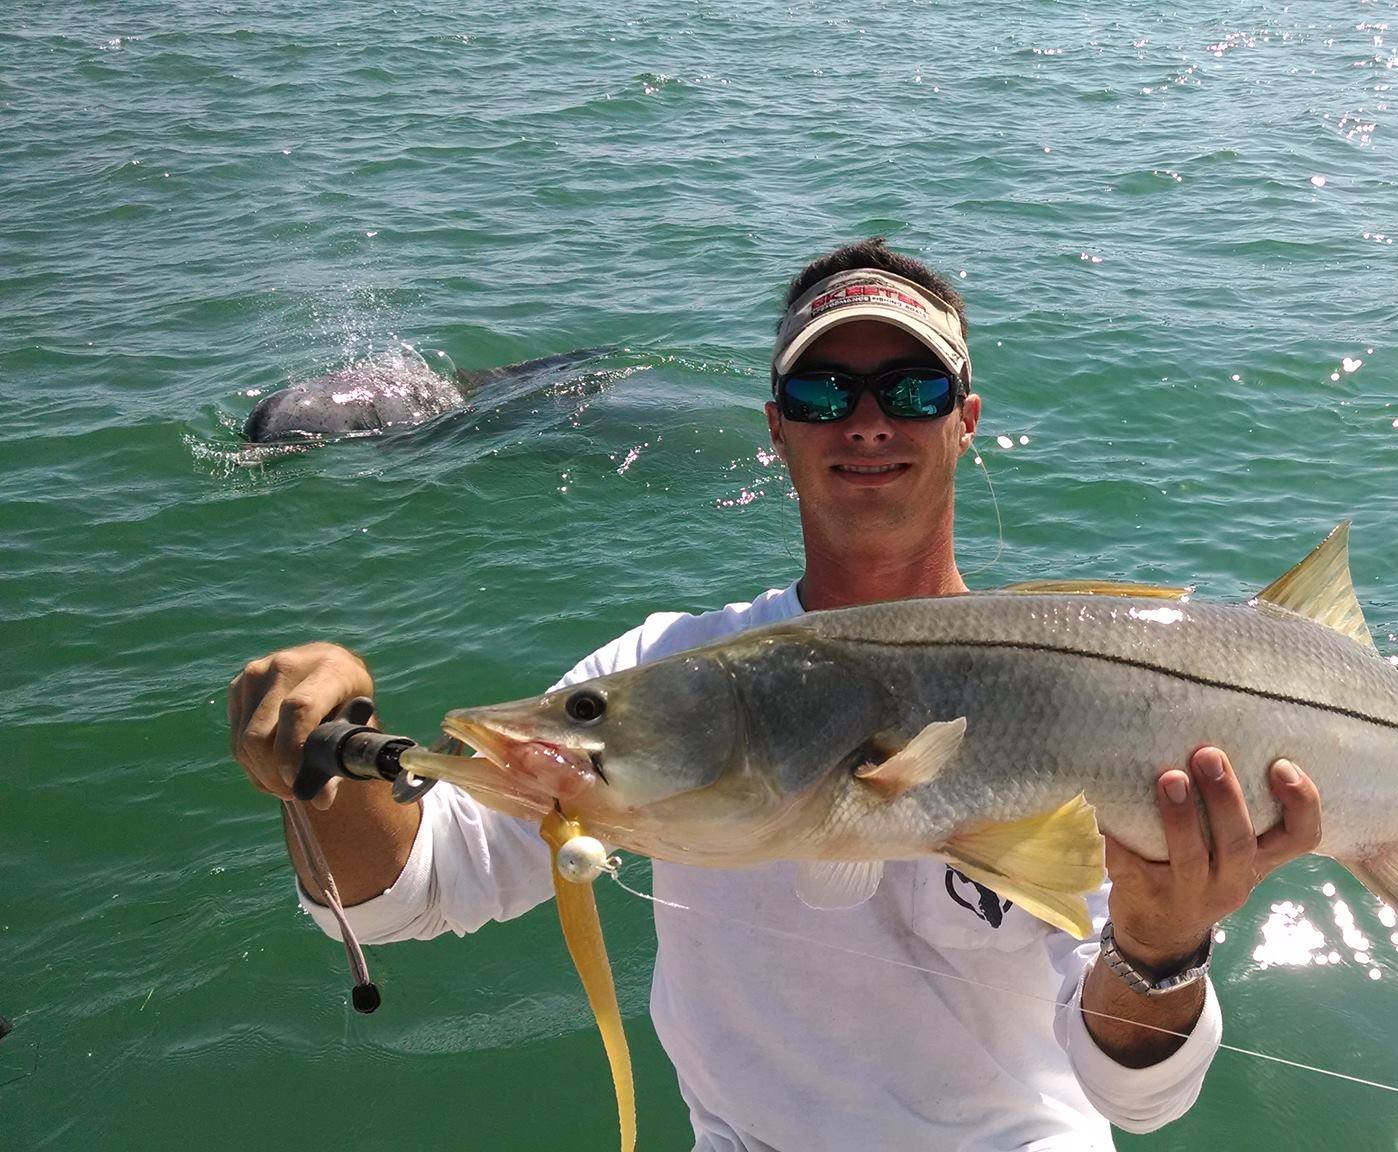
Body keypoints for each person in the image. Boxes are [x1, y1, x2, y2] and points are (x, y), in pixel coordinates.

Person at [227, 238, 1326, 1151]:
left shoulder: (1072, 687)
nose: (864, 422)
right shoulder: (665, 669)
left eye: (909, 389)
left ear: (966, 418)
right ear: (774, 427)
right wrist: (330, 750)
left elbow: (1135, 1097)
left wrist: (1164, 945)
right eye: (820, 390)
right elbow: (394, 899)